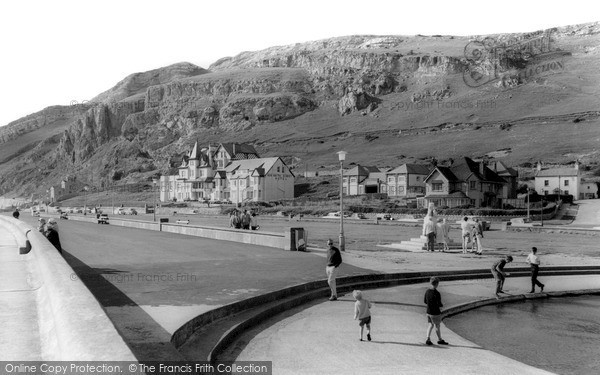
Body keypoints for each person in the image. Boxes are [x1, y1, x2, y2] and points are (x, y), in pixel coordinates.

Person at [424, 276, 448, 346]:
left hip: (428, 312)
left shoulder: (427, 291)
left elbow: (425, 301)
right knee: (437, 326)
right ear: (437, 284)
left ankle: (428, 338)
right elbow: (439, 304)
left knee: (430, 325)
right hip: (435, 313)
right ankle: (440, 339)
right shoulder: (437, 293)